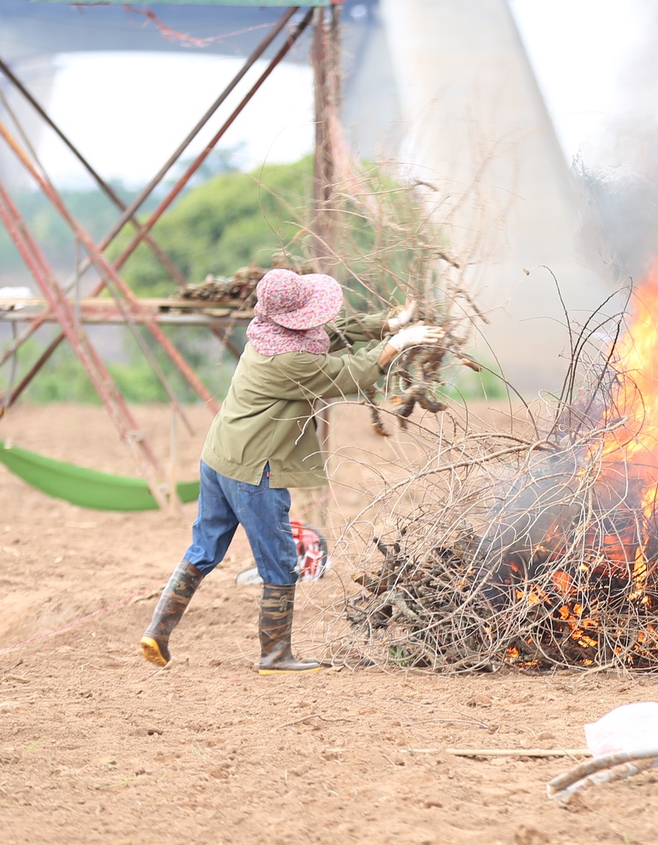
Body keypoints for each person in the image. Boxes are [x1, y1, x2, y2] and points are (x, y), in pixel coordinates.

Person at [140, 268, 445, 674]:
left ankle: (156, 632)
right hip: (254, 469)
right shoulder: (290, 362)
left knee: (205, 548)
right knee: (280, 559)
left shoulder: (265, 332)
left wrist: (389, 324)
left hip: (220, 456)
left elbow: (329, 333)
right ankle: (275, 654)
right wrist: (396, 345)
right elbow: (348, 374)